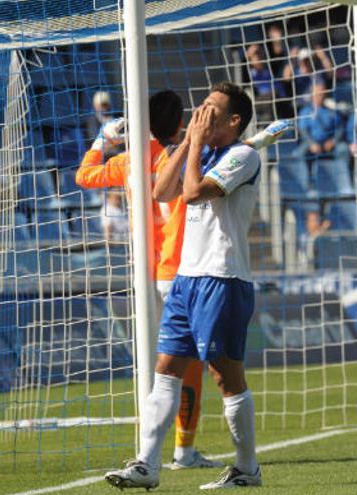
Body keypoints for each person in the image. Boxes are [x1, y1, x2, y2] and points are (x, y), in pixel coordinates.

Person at [105, 82, 262, 490]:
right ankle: (147, 464)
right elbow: (161, 190)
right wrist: (192, 141)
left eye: (212, 109)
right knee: (165, 371)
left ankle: (247, 469)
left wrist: (192, 145)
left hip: (222, 278)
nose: (201, 114)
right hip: (186, 279)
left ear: (234, 121)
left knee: (226, 378)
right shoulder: (202, 150)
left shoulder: (243, 155)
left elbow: (192, 193)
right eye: (201, 106)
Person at [76, 90, 222, 470]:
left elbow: (84, 176)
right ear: (178, 123)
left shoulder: (127, 160)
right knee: (187, 366)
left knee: (162, 363)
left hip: (144, 274)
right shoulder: (181, 158)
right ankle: (183, 450)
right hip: (177, 269)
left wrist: (101, 141)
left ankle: (158, 452)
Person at [298, 82, 344, 157]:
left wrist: (333, 141)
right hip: (311, 143)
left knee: (343, 149)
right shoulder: (305, 112)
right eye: (318, 94)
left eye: (322, 94)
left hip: (328, 143)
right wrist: (312, 143)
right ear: (312, 95)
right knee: (300, 153)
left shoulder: (331, 111)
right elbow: (303, 130)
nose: (320, 96)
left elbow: (340, 128)